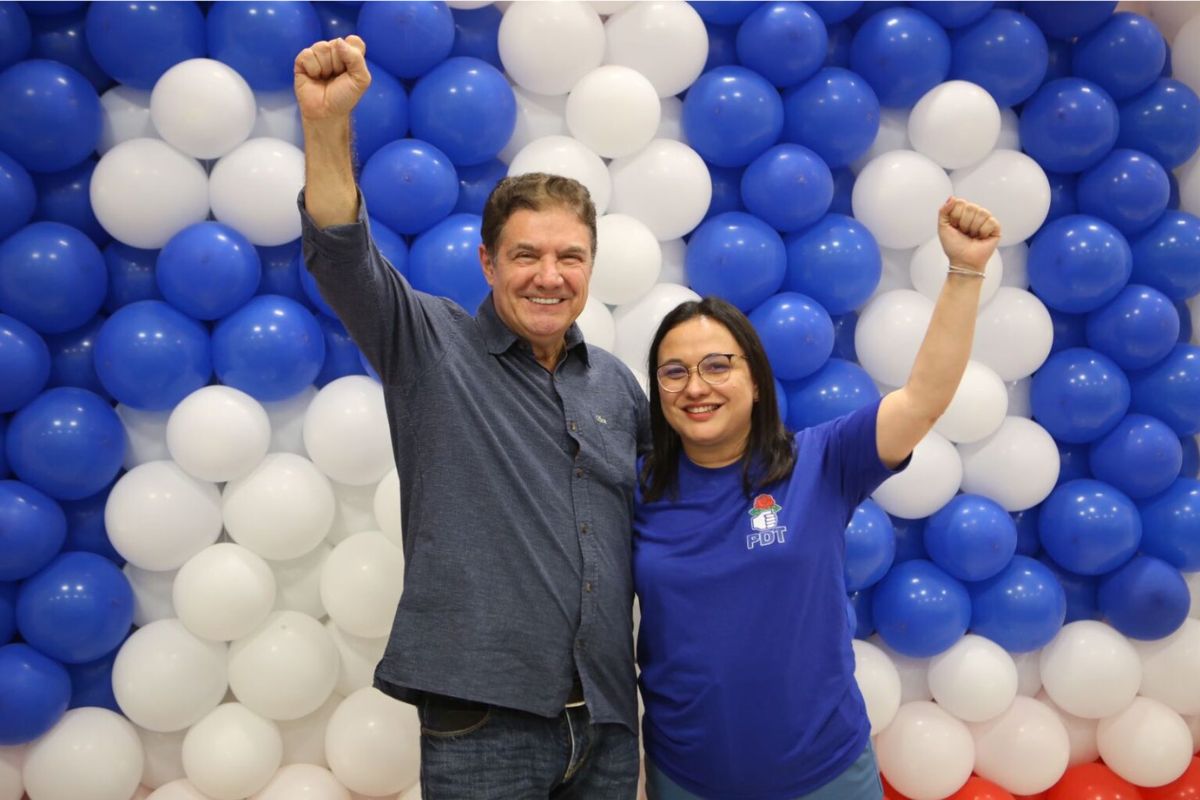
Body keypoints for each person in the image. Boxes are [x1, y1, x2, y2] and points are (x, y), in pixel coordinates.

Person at [293, 36, 647, 798]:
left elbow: (676, 523)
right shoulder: (429, 344)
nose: (549, 276)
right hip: (485, 726)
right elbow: (342, 254)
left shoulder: (618, 387)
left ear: (591, 266)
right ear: (488, 263)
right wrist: (326, 126)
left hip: (611, 723)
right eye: (526, 256)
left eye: (570, 257)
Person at [634, 198, 1002, 800]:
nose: (695, 386)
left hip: (824, 776)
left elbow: (924, 397)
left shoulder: (822, 461)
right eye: (673, 372)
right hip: (688, 777)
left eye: (717, 366)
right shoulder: (637, 489)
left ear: (755, 382)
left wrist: (964, 271)